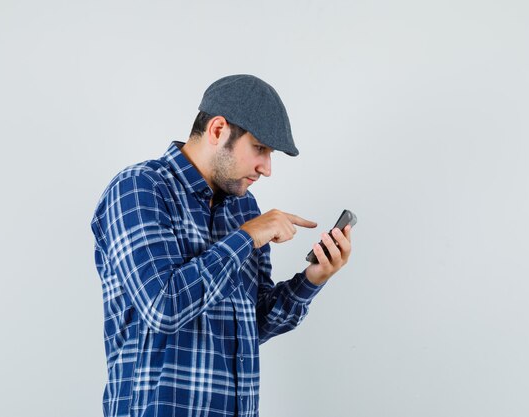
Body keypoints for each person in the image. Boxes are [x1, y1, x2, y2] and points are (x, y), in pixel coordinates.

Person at [91, 74, 352, 417]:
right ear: (217, 130)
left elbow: (252, 325)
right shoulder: (139, 189)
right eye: (260, 148)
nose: (267, 168)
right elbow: (162, 306)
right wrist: (246, 237)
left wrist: (312, 279)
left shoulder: (244, 208)